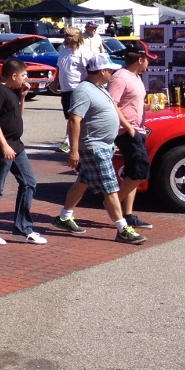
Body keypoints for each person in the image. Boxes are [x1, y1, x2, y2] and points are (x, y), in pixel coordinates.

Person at [53, 53, 146, 244]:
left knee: (83, 181)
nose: (113, 72)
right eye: (110, 69)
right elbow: (74, 120)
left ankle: (64, 216)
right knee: (111, 187)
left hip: (105, 145)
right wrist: (74, 150)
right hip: (94, 147)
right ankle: (122, 228)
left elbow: (112, 107)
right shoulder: (84, 90)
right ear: (102, 71)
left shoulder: (100, 88)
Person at [0, 59, 45, 245]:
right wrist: (4, 144)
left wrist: (22, 97)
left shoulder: (12, 91)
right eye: (23, 75)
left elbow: (16, 116)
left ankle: (23, 227)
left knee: (29, 182)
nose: (25, 78)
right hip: (1, 146)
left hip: (16, 144)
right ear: (13, 75)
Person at [107, 50, 153, 232]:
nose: (149, 64)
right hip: (126, 130)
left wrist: (150, 106)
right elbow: (112, 104)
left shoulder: (136, 77)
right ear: (140, 60)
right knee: (141, 170)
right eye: (148, 60)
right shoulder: (120, 77)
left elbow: (133, 103)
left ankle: (127, 214)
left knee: (132, 172)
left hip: (138, 129)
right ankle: (113, 203)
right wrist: (128, 127)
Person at [55, 28, 89, 153]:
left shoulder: (83, 51)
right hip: (65, 89)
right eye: (65, 35)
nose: (66, 37)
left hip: (78, 88)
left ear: (76, 36)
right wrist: (55, 82)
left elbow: (89, 70)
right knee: (69, 116)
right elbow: (60, 68)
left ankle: (69, 141)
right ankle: (69, 140)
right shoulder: (64, 51)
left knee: (75, 116)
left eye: (69, 35)